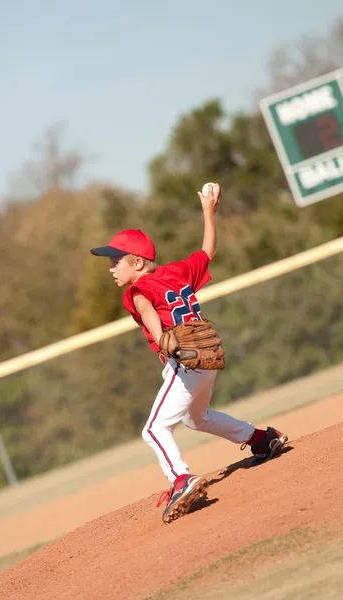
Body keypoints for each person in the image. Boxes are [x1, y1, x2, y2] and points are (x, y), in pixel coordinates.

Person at [90, 183, 288, 524]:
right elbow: (208, 251)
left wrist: (163, 339)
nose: (111, 267)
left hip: (184, 360)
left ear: (136, 262)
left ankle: (181, 479)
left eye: (115, 260)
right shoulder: (179, 272)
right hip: (203, 359)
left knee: (153, 429)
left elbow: (146, 308)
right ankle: (262, 439)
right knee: (196, 418)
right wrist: (209, 212)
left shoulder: (138, 288)